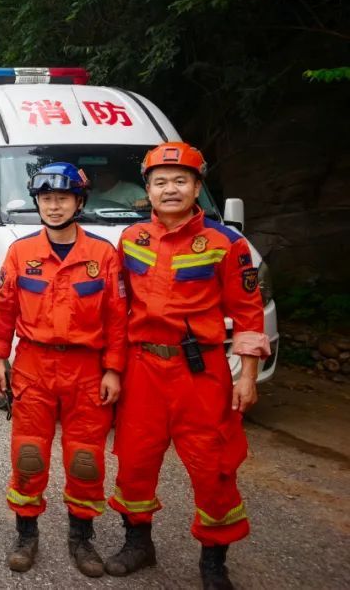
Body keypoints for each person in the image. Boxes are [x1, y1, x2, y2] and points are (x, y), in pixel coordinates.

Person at [107, 142, 270, 590]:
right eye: (161, 182)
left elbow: (250, 313)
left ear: (198, 186)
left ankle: (214, 562)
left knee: (214, 465)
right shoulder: (131, 239)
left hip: (201, 373)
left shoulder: (227, 243)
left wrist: (248, 376)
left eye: (181, 180)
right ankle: (138, 543)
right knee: (134, 461)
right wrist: (113, 368)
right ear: (148, 191)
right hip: (142, 370)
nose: (171, 189)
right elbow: (117, 308)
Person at [0, 163, 127, 577]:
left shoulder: (103, 255)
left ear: (79, 202)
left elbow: (118, 318)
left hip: (87, 368)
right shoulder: (20, 252)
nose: (53, 206)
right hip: (33, 365)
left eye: (62, 198)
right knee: (28, 455)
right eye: (46, 199)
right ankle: (26, 535)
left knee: (85, 458)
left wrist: (114, 370)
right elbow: (5, 310)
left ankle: (81, 539)